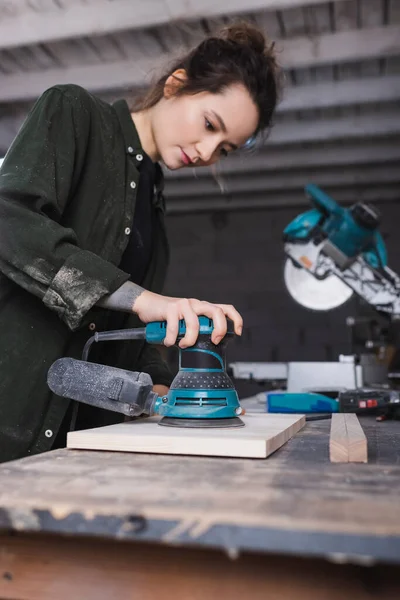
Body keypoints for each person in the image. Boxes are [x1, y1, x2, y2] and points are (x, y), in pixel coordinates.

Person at [0, 22, 280, 462]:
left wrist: (164, 388)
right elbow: (10, 221)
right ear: (176, 84)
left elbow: (140, 334)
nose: (207, 153)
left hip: (84, 441)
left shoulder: (154, 208)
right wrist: (145, 299)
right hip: (13, 416)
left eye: (224, 148)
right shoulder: (74, 113)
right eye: (210, 124)